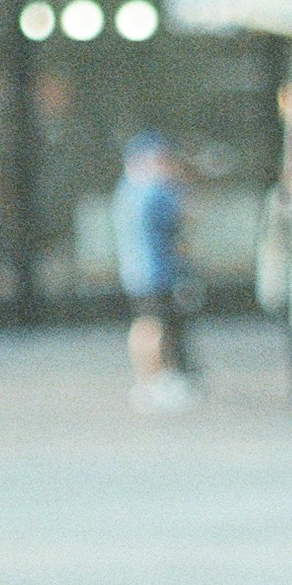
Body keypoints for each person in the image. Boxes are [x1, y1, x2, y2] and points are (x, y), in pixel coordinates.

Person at [111, 133, 194, 411]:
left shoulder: (126, 189)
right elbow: (184, 217)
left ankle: (146, 381)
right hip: (157, 271)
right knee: (156, 327)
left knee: (145, 325)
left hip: (135, 271)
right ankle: (158, 380)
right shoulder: (155, 192)